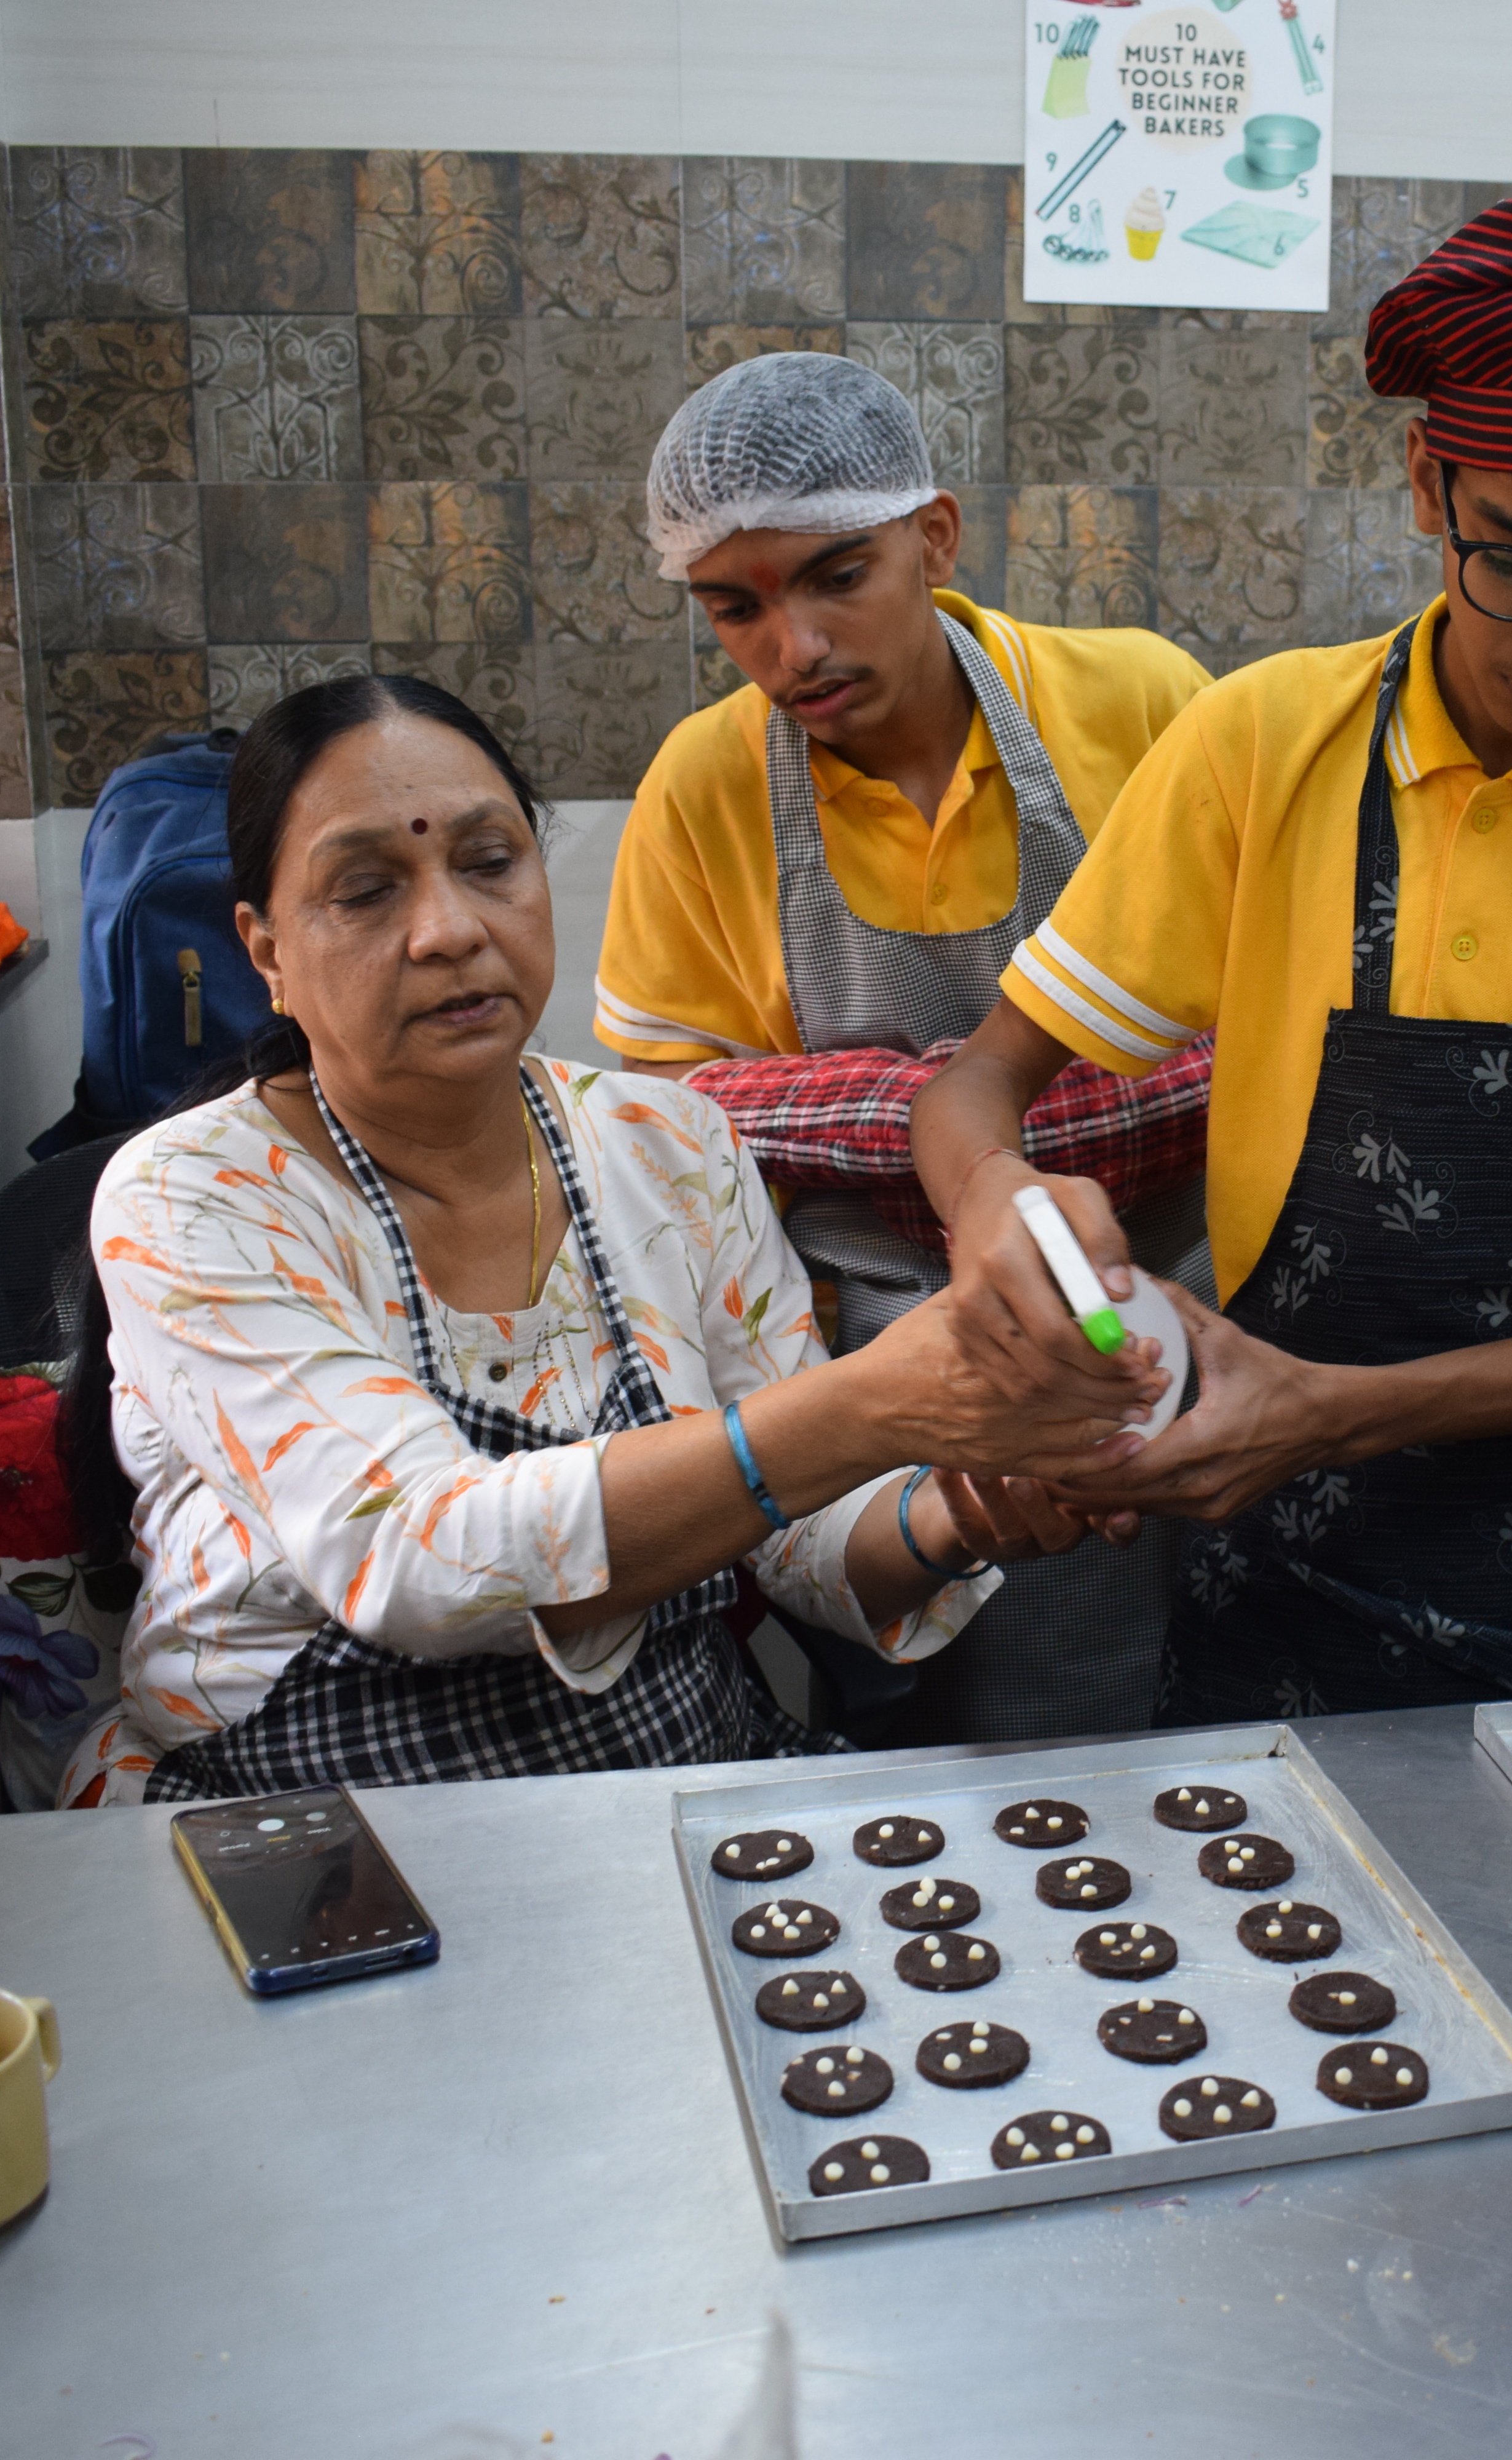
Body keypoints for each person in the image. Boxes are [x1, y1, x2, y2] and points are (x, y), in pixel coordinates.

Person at [911, 199, 1512, 1719]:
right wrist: (1000, 1206)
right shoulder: (1264, 743)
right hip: (1270, 1567)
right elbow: (977, 1084)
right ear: (1431, 482)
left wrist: (1332, 1413)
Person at [56, 675, 1144, 1806]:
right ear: (266, 949)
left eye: (490, 863)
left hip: (677, 1781)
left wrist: (963, 1503)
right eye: (367, 890)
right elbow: (423, 1559)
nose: (450, 930)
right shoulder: (195, 1196)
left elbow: (802, 1537)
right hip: (305, 1819)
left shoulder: (666, 1146)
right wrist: (880, 1400)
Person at [590, 352, 1216, 1744]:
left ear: (936, 535)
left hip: (1163, 1259)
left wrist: (939, 1118)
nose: (791, 648)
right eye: (734, 608)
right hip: (874, 1308)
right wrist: (966, 1130)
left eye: (836, 577)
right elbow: (666, 1126)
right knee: (978, 1711)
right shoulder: (705, 786)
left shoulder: (1136, 703)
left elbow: (1268, 1021)